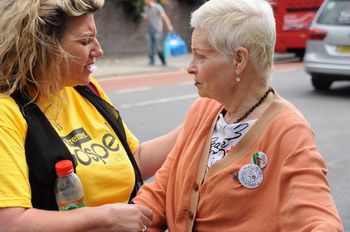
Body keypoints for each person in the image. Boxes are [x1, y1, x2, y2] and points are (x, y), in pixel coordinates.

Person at [133, 0, 345, 231]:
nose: (190, 67)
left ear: (239, 60)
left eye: (201, 56)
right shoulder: (203, 109)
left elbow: (318, 217)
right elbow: (161, 191)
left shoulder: (288, 130)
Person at [0, 0, 180, 231]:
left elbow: (133, 159)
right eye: (85, 41)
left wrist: (200, 119)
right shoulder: (8, 111)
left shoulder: (84, 87)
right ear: (43, 46)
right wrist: (105, 217)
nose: (98, 50)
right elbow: (10, 223)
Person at [142, 0, 174, 66]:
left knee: (159, 48)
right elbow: (145, 19)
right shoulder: (146, 8)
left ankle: (163, 60)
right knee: (150, 47)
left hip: (157, 30)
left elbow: (164, 17)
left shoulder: (158, 7)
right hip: (149, 30)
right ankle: (152, 61)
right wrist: (144, 18)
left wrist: (169, 26)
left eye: (146, 0)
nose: (145, 2)